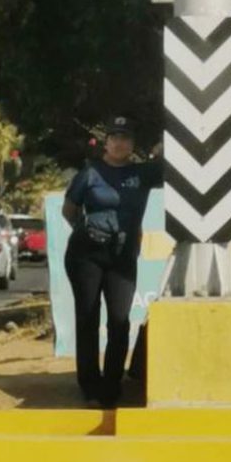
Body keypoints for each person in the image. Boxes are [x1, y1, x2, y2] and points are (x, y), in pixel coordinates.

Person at [62, 116, 162, 408]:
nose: (120, 143)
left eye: (125, 138)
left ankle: (111, 385)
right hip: (86, 255)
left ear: (133, 144)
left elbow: (174, 167)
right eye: (114, 138)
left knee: (119, 320)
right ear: (105, 143)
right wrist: (90, 232)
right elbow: (69, 210)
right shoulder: (90, 173)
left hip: (123, 256)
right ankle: (90, 386)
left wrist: (161, 149)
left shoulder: (143, 174)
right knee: (88, 318)